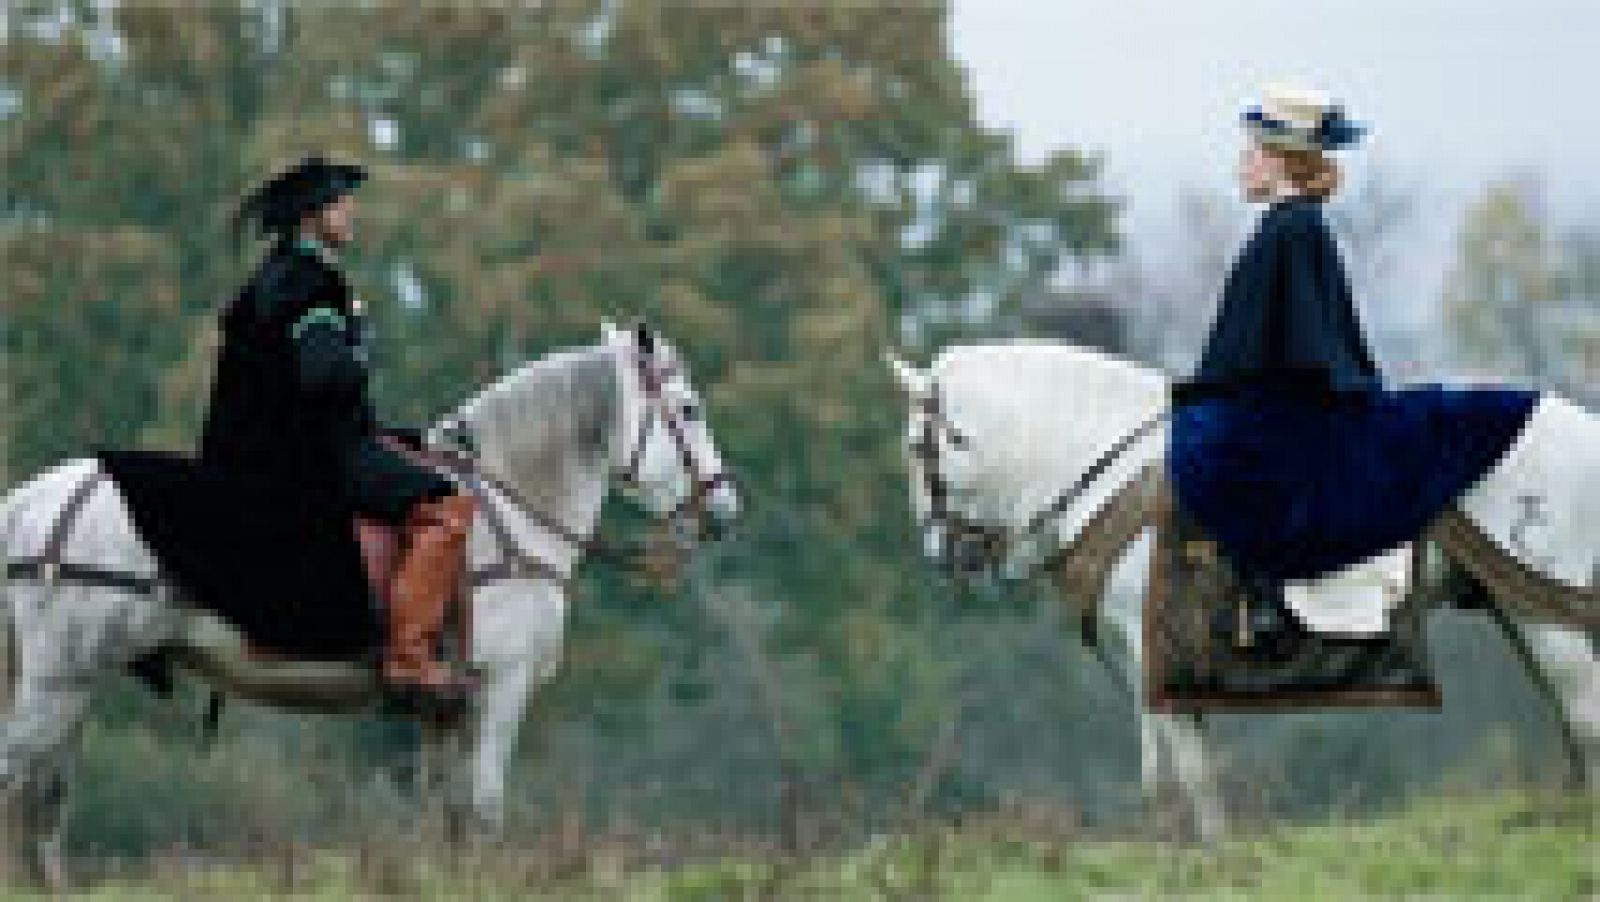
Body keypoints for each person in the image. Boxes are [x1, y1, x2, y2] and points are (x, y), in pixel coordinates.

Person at [1168, 85, 1538, 646]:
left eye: (1251, 152)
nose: (1241, 164)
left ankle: (1269, 589)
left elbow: (1269, 354)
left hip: (1294, 413)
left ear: (1280, 162)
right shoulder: (1288, 227)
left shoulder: (1291, 231)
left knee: (1207, 458)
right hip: (1291, 400)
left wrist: (1212, 397)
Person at [105, 156, 477, 703]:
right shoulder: (312, 283)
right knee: (448, 505)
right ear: (312, 216)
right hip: (311, 459)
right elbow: (323, 374)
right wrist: (359, 352)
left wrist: (398, 432)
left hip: (272, 450)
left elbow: (300, 391)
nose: (352, 214)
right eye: (342, 203)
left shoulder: (275, 278)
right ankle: (411, 659)